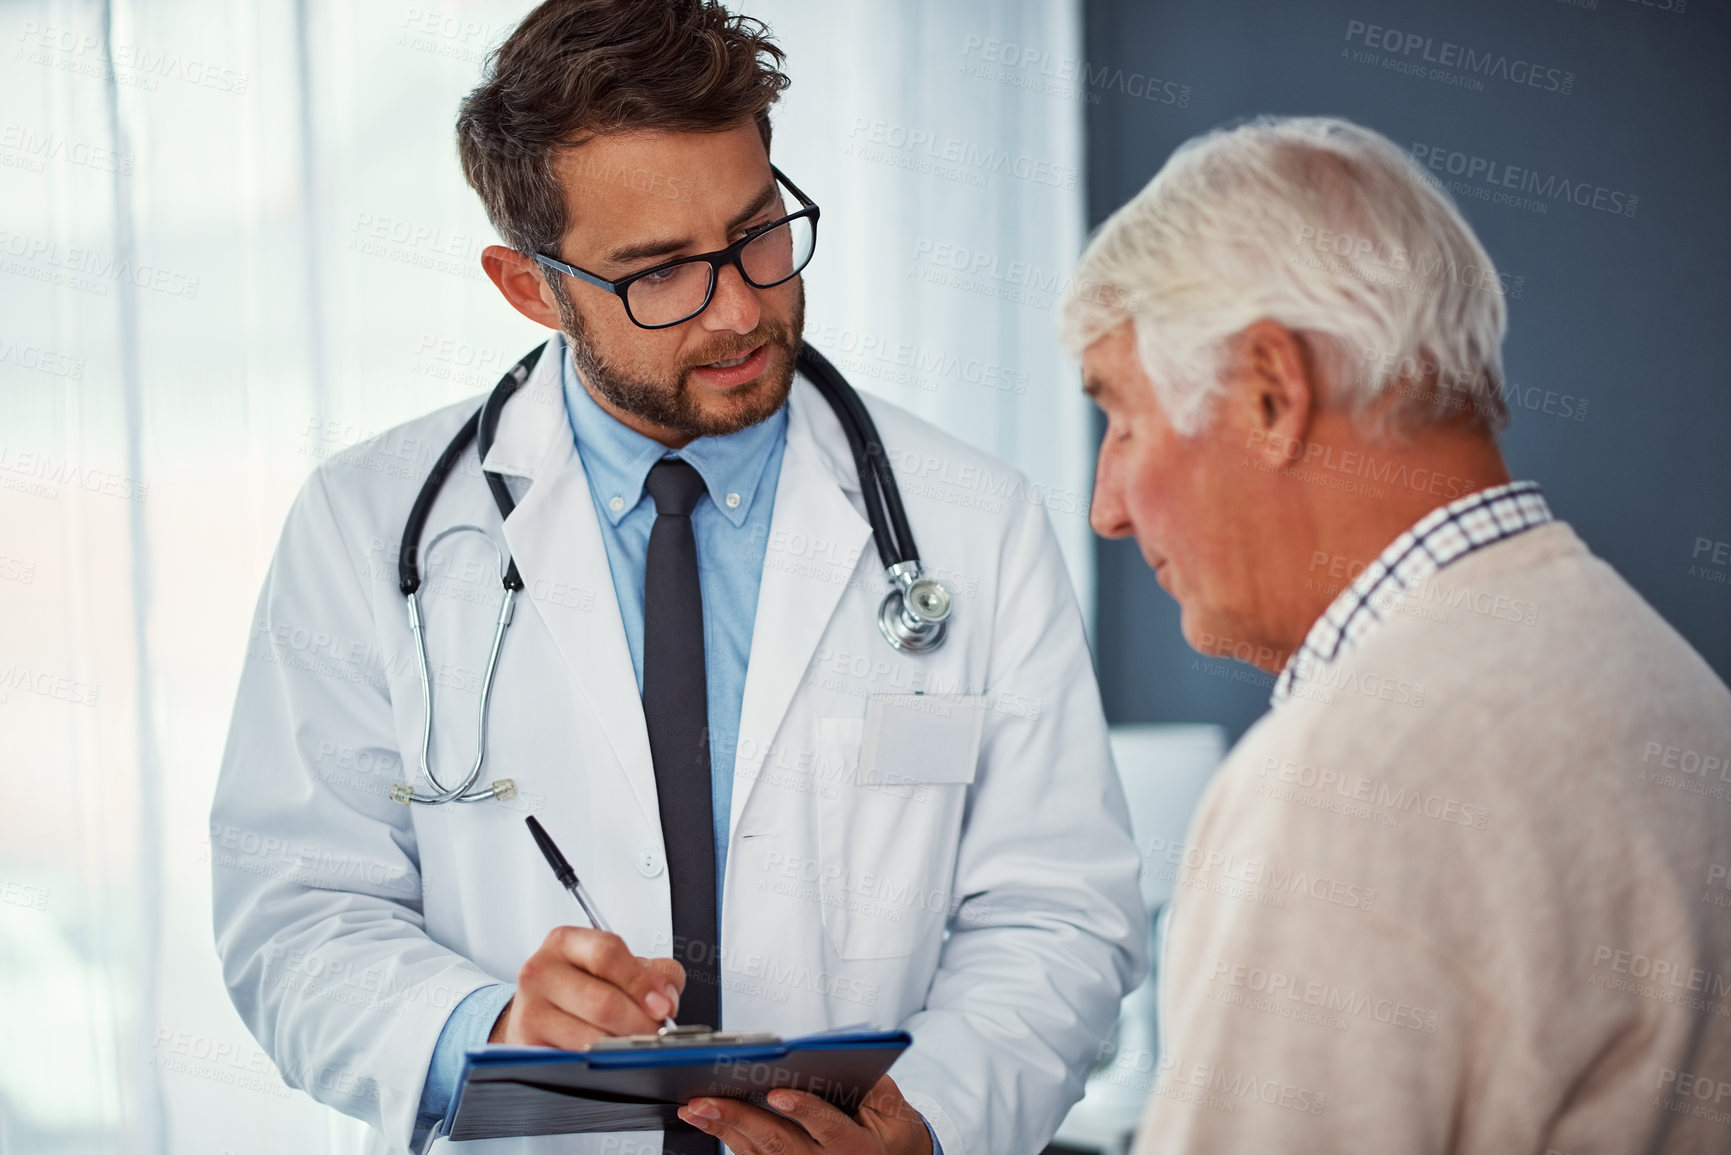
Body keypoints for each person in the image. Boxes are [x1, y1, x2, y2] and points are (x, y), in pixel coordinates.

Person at [210, 2, 1144, 1153]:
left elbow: (1060, 912)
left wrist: (933, 1124)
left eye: (758, 234)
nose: (744, 309)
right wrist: (485, 1022)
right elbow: (296, 912)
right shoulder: (366, 528)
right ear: (529, 286)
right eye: (659, 275)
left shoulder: (972, 520)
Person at [1060, 115, 1731, 1154]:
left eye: (1124, 418)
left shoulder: (1349, 779)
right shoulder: (1664, 677)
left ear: (1271, 393)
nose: (1106, 505)